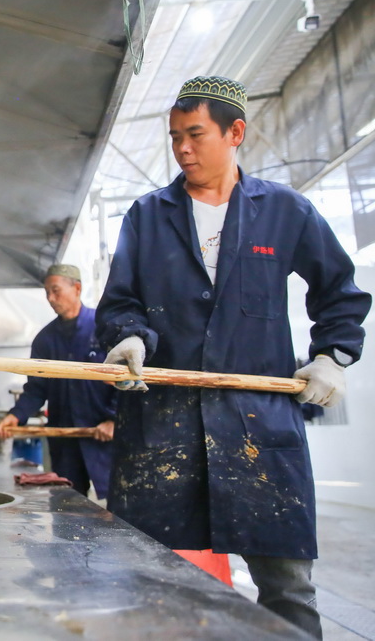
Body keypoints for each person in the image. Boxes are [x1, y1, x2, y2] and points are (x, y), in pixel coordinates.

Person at [95, 75, 371, 639]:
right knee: (153, 582)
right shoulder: (147, 216)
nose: (182, 149)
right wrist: (130, 337)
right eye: (175, 137)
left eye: (195, 135)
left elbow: (339, 291)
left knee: (288, 589)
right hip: (164, 429)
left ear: (235, 132)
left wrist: (332, 357)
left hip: (258, 429)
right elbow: (121, 301)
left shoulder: (285, 212)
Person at [0, 264, 117, 498]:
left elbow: (125, 380)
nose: (51, 298)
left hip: (103, 433)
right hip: (65, 437)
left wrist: (115, 419)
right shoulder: (45, 340)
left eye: (56, 290)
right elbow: (36, 388)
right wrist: (16, 415)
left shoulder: (104, 329)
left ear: (77, 288)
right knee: (66, 505)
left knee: (118, 507)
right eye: (47, 293)